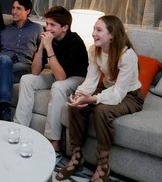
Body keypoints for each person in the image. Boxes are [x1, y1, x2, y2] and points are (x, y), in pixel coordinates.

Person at [55, 15, 144, 182]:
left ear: (112, 35)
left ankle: (103, 166)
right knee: (74, 104)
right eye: (94, 29)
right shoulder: (93, 50)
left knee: (101, 110)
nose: (93, 33)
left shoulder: (127, 55)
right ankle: (77, 157)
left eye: (98, 30)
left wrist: (93, 99)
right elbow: (91, 80)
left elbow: (118, 93)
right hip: (108, 88)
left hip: (130, 95)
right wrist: (80, 94)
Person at [13, 6, 88, 163]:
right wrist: (41, 48)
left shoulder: (75, 41)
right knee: (27, 79)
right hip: (58, 75)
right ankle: (20, 129)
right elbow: (35, 72)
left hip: (77, 78)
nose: (48, 28)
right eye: (47, 24)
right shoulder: (49, 40)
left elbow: (61, 78)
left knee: (58, 86)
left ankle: (54, 144)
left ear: (65, 27)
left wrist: (48, 47)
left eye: (53, 25)